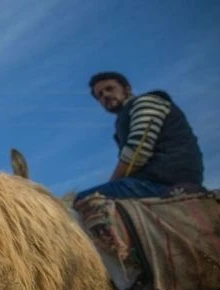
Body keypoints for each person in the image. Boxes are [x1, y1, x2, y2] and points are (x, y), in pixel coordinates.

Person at [73, 71, 204, 203]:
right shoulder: (126, 118)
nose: (105, 95)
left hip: (164, 181)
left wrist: (112, 184)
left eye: (110, 89)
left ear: (127, 88)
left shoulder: (146, 102)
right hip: (157, 179)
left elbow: (137, 151)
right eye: (100, 95)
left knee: (81, 200)